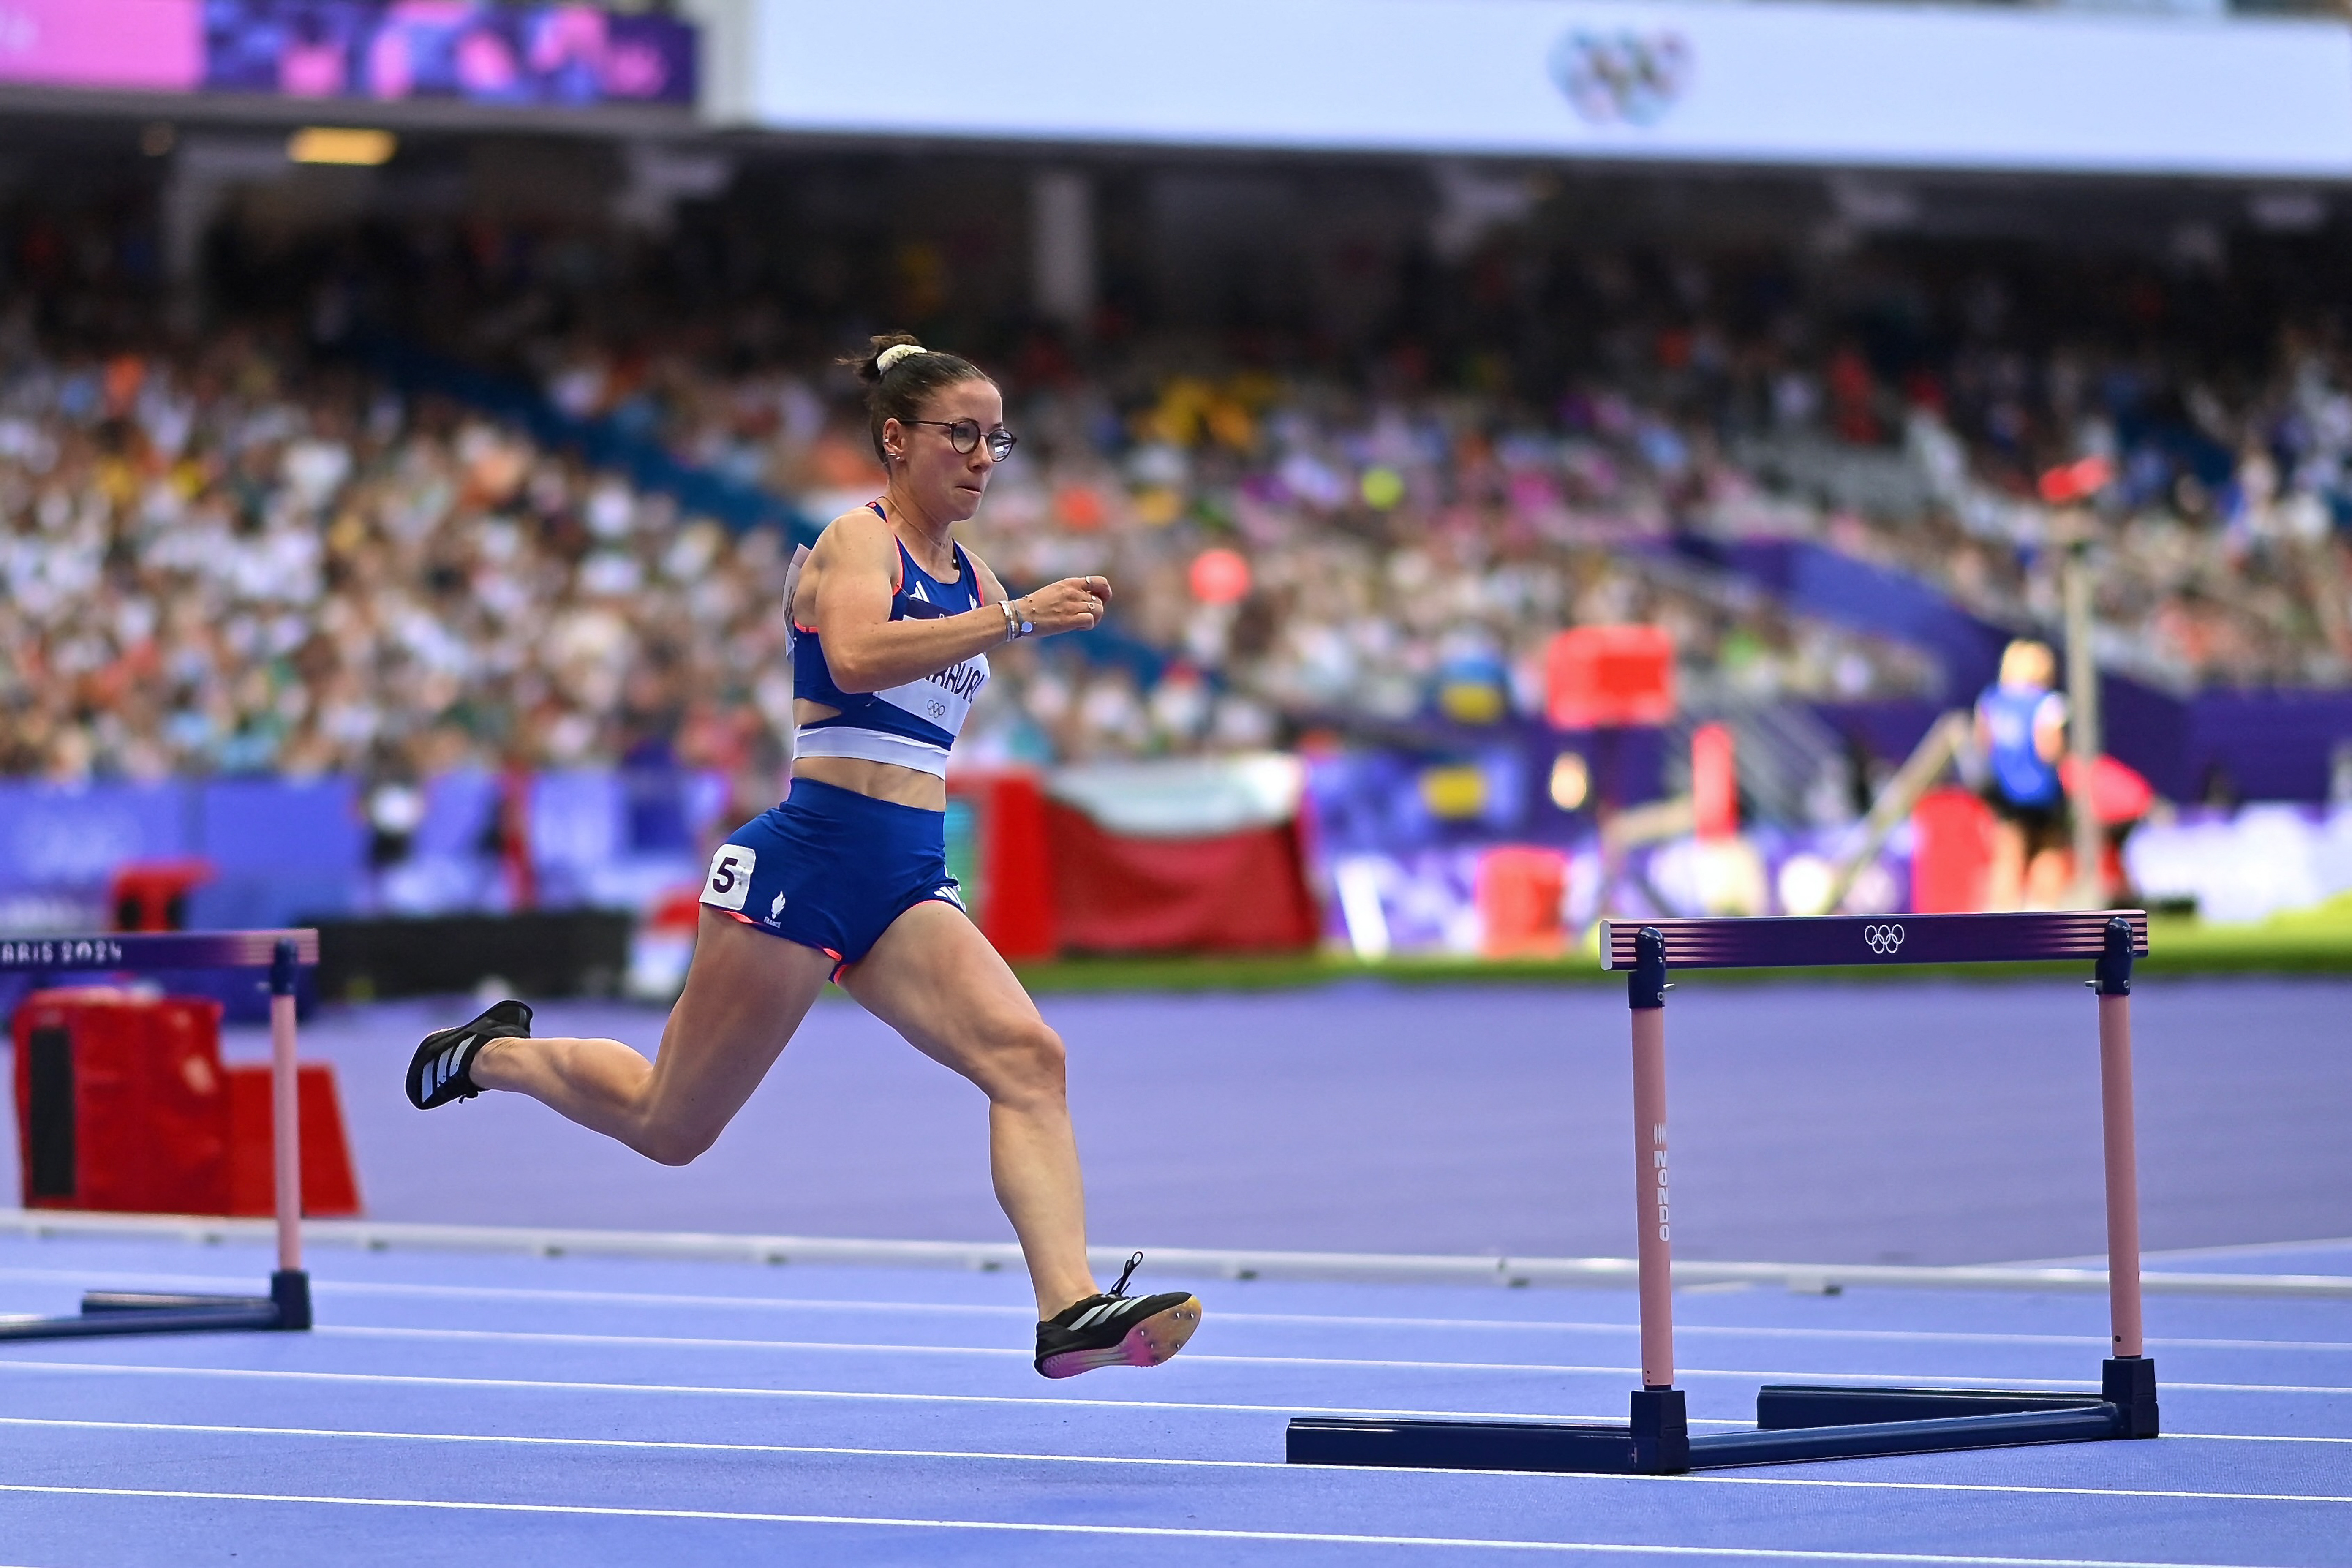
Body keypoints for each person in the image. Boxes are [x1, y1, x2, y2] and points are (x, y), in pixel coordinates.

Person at [404, 334, 1202, 1379]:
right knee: (670, 1124)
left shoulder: (975, 574)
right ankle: (493, 1055)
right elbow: (859, 656)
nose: (981, 456)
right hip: (805, 861)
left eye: (994, 437)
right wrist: (1011, 619)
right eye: (958, 434)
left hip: (904, 876)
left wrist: (1005, 618)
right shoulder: (854, 542)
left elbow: (929, 701)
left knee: (1028, 1059)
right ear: (894, 438)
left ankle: (1067, 1309)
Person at [1973, 638, 2070, 911]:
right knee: (2047, 850)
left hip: (2004, 788)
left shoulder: (1992, 700)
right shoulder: (2048, 703)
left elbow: (1982, 744)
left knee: (2007, 854)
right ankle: (2043, 909)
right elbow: (2049, 749)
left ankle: (2003, 910)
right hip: (2042, 789)